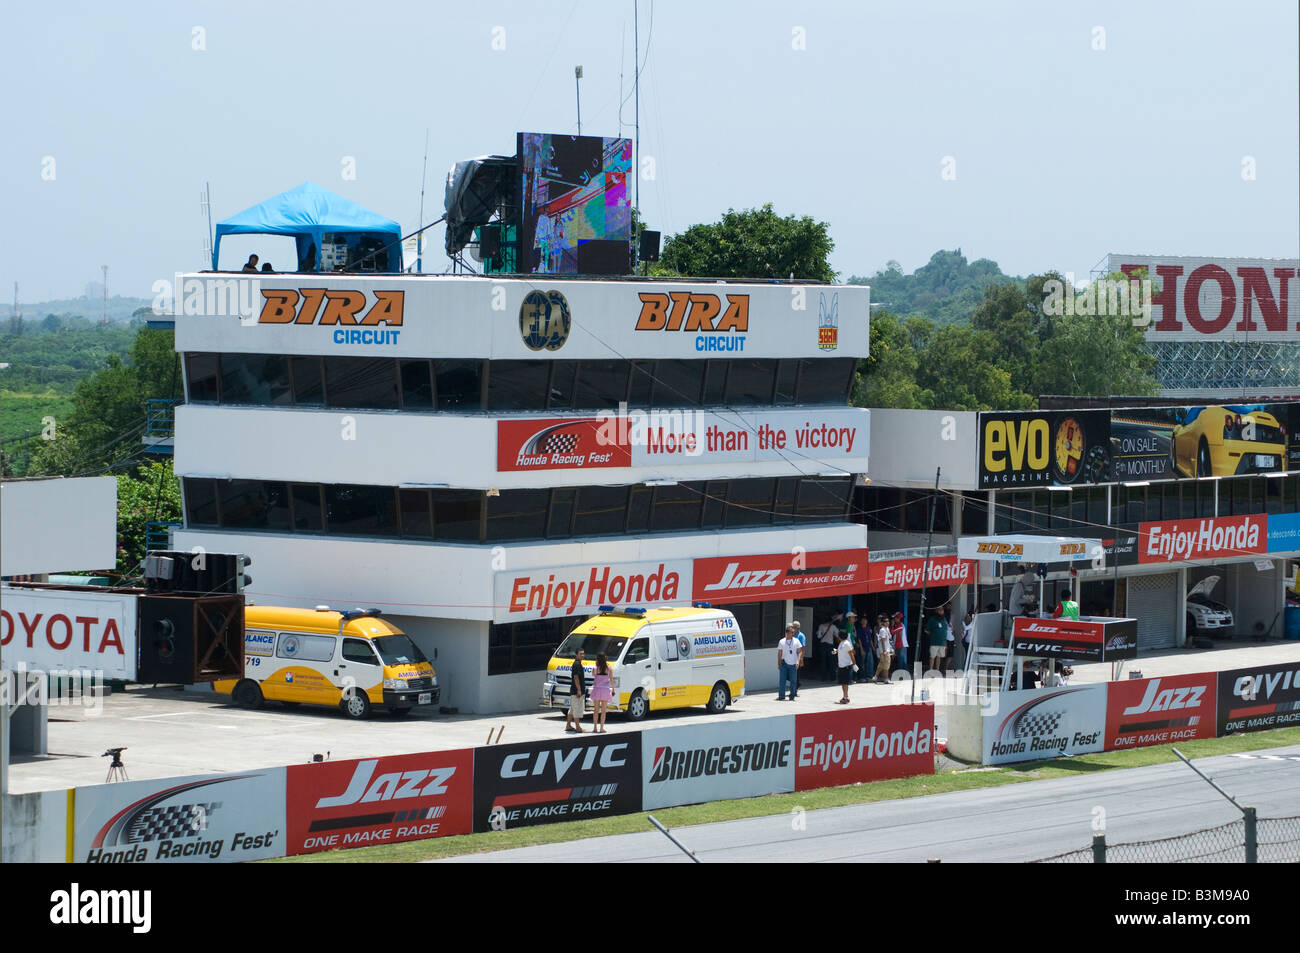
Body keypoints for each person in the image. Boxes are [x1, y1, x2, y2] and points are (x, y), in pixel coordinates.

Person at [777, 624, 803, 700]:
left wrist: (798, 661)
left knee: (793, 681)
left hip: (793, 664)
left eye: (793, 632)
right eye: (792, 632)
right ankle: (781, 696)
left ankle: (792, 696)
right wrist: (779, 663)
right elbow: (779, 653)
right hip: (784, 663)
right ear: (787, 633)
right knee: (782, 681)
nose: (793, 633)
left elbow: (800, 651)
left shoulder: (796, 641)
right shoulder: (782, 641)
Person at [590, 652, 614, 733]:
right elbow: (611, 679)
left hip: (597, 689)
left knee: (596, 710)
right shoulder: (608, 668)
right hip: (605, 690)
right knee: (603, 711)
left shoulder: (595, 668)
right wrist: (613, 689)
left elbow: (593, 675)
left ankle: (595, 728)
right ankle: (601, 728)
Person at [565, 648, 587, 732]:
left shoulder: (578, 664)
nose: (582, 655)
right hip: (576, 691)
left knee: (573, 709)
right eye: (580, 654)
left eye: (583, 653)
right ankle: (578, 727)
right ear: (576, 654)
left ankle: (568, 725)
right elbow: (576, 677)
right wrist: (579, 690)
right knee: (577, 709)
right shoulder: (577, 664)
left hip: (575, 690)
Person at [835, 631, 855, 704]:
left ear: (840, 636)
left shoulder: (846, 643)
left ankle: (846, 697)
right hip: (841, 666)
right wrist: (836, 651)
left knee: (845, 683)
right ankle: (845, 696)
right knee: (843, 683)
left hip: (846, 666)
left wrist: (854, 664)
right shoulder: (841, 643)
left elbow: (851, 654)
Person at [874, 615, 893, 683]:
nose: (887, 622)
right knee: (886, 665)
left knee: (882, 664)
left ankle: (875, 677)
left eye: (888, 621)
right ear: (882, 623)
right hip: (884, 650)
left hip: (887, 649)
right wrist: (884, 651)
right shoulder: (882, 630)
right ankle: (886, 679)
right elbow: (882, 641)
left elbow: (889, 639)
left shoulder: (887, 629)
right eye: (885, 621)